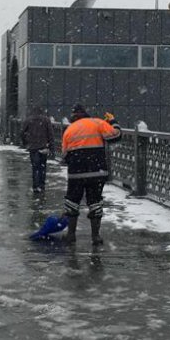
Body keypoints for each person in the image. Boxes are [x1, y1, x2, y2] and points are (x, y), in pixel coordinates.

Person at [60, 104, 121, 245]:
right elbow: (115, 136)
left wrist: (75, 160)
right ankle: (95, 237)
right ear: (86, 114)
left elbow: (64, 155)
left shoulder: (69, 130)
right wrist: (113, 122)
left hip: (76, 173)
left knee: (72, 201)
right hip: (97, 171)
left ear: (73, 116)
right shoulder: (98, 122)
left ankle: (71, 235)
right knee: (95, 201)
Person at [20, 106, 53, 193]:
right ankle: (42, 186)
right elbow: (50, 134)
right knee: (43, 166)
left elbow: (22, 132)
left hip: (33, 147)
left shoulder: (28, 120)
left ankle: (35, 186)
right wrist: (51, 147)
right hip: (43, 147)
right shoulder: (46, 120)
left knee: (35, 168)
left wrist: (26, 143)